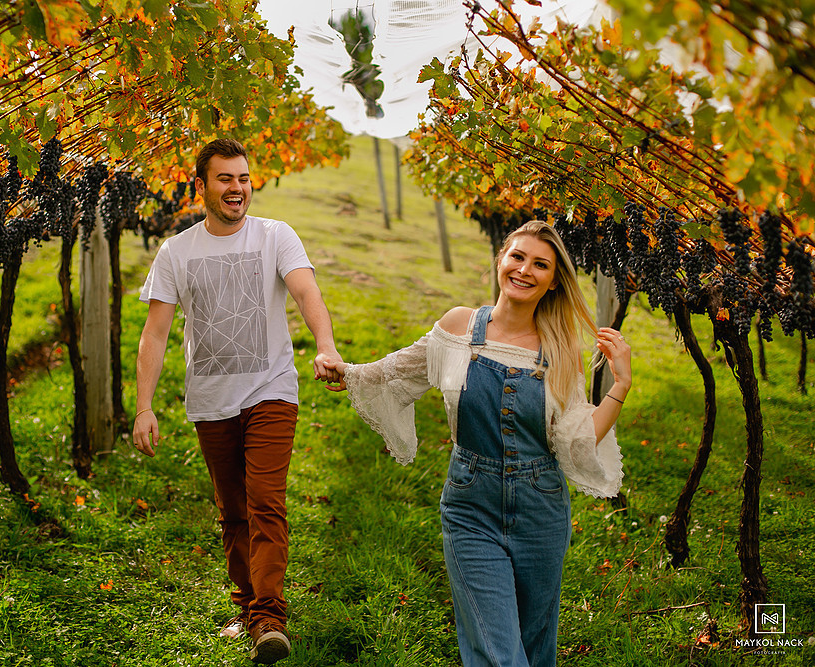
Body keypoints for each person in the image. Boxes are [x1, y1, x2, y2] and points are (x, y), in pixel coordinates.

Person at [323, 220, 631, 666]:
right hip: (471, 505)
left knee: (534, 645)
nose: (525, 270)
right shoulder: (459, 327)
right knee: (497, 651)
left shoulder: (560, 350)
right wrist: (346, 371)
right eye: (518, 257)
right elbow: (398, 371)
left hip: (541, 509)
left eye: (540, 264)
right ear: (501, 259)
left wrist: (619, 384)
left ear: (553, 280)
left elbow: (576, 441)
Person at [133, 138, 343, 665]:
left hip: (271, 390)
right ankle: (248, 604)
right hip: (211, 401)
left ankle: (269, 619)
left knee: (265, 502)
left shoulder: (276, 236)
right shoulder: (176, 252)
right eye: (225, 179)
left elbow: (305, 293)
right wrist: (144, 406)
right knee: (232, 512)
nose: (237, 188)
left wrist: (325, 345)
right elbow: (154, 334)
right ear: (201, 186)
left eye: (243, 178)